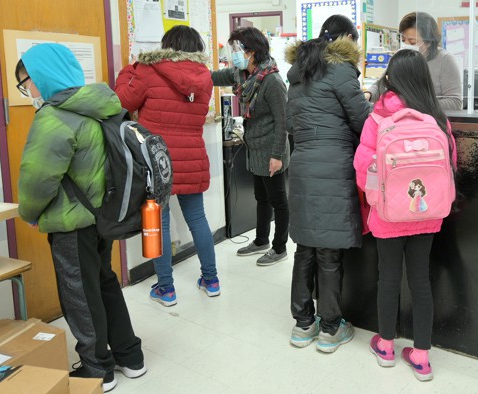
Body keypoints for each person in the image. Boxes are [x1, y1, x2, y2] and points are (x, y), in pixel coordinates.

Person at [16, 43, 145, 392]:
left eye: (26, 82)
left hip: (71, 223)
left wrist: (28, 213)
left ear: (41, 77)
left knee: (79, 293)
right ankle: (130, 356)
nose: (27, 90)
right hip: (101, 217)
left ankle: (95, 368)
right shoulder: (101, 105)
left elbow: (38, 177)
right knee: (104, 282)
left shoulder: (54, 117)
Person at [353, 49, 456, 382]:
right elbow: (450, 166)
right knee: (421, 281)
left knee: (388, 279)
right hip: (428, 214)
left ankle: (385, 346)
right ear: (424, 78)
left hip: (387, 214)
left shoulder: (377, 117)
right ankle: (422, 356)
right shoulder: (437, 117)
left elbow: (360, 169)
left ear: (390, 79)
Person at [284, 15, 372, 353]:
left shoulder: (299, 73)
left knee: (305, 246)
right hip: (335, 165)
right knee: (329, 251)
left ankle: (303, 324)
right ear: (347, 38)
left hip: (304, 165)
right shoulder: (342, 68)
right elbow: (364, 122)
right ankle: (331, 328)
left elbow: (292, 124)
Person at [114, 26, 219, 306]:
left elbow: (123, 101)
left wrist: (128, 71)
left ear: (167, 45)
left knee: (159, 224)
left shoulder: (149, 70)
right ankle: (211, 280)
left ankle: (166, 288)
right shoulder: (205, 77)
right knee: (197, 218)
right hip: (192, 157)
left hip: (156, 159)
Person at [211, 27, 290, 267]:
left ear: (252, 52)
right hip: (254, 148)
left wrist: (276, 155)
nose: (232, 53)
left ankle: (279, 248)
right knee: (260, 197)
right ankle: (261, 240)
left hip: (272, 150)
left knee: (278, 200)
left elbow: (283, 121)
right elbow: (213, 77)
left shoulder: (273, 81)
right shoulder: (241, 75)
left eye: (236, 49)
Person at [365, 12, 463, 111]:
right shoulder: (399, 56)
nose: (406, 45)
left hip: (431, 121)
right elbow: (382, 84)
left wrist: (414, 104)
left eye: (412, 42)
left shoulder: (445, 60)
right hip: (399, 119)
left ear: (428, 42)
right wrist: (368, 94)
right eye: (403, 40)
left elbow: (455, 102)